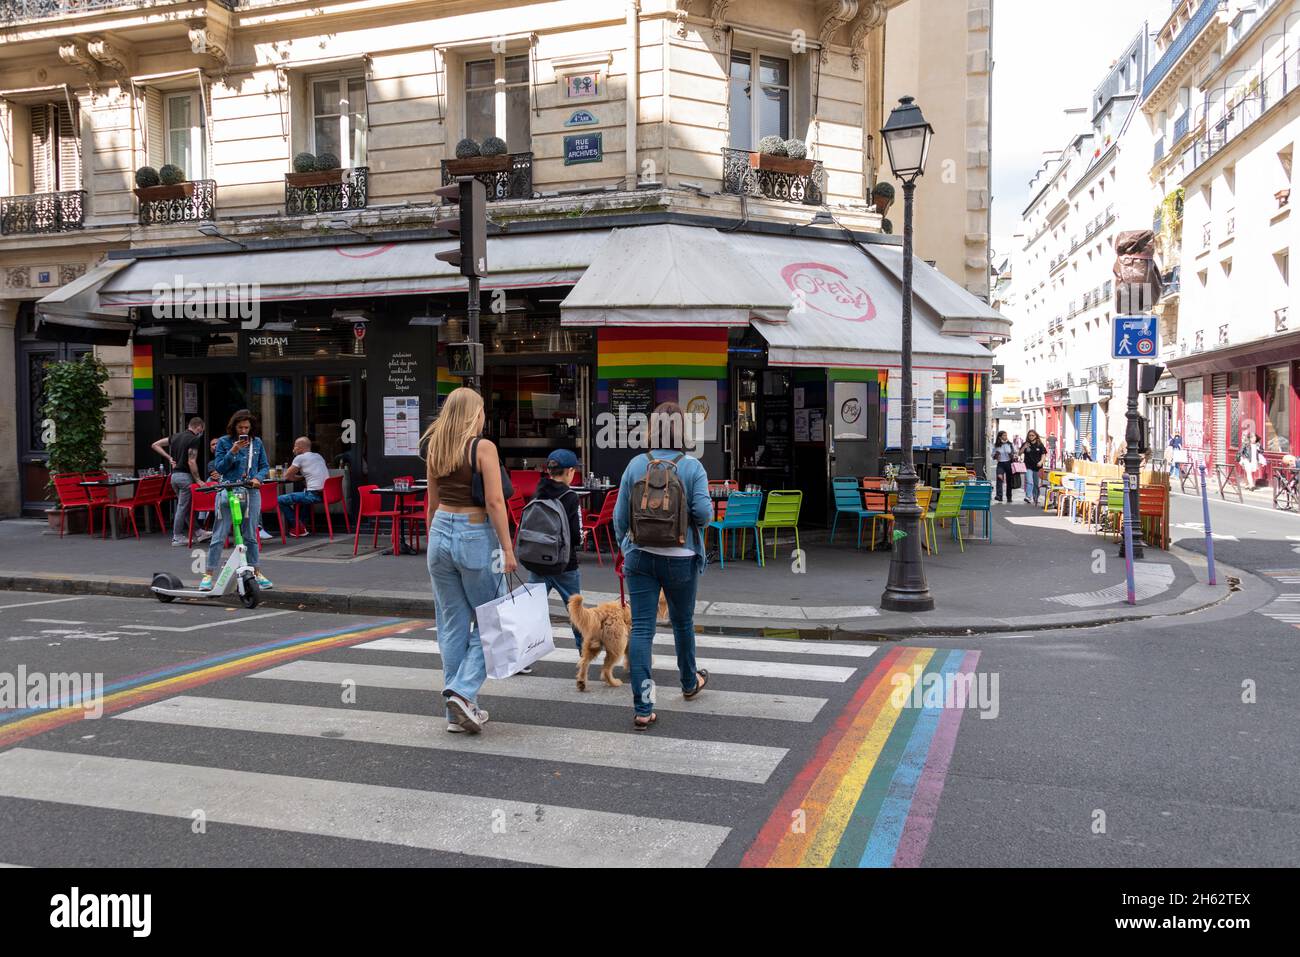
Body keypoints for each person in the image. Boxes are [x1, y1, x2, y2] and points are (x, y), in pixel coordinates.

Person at [613, 402, 714, 731]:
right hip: (681, 558)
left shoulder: (635, 465)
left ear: (652, 428)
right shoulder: (692, 467)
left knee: (642, 629)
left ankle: (643, 707)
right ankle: (688, 682)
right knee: (683, 623)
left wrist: (626, 546)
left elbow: (619, 518)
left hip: (640, 557)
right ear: (682, 429)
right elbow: (703, 515)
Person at [423, 387, 515, 734]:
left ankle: (455, 711)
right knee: (493, 620)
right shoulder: (482, 447)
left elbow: (431, 505)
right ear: (474, 413)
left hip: (440, 531)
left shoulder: (435, 446)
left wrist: (435, 540)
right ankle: (463, 691)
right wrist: (507, 548)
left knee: (451, 625)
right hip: (475, 533)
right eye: (481, 410)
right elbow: (494, 501)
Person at [204, 409, 272, 591]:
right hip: (229, 490)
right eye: (241, 427)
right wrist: (233, 451)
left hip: (251, 491)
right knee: (219, 535)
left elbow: (265, 466)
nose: (244, 430)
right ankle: (208, 575)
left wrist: (258, 477)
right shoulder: (224, 442)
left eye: (247, 427)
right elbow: (220, 468)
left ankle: (257, 573)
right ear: (234, 427)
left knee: (250, 535)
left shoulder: (256, 442)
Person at [526, 448, 585, 652]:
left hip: (537, 563)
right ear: (569, 471)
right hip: (565, 565)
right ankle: (583, 653)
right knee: (576, 614)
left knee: (531, 612)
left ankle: (523, 655)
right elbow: (576, 537)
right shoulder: (570, 497)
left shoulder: (537, 493)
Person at [152, 417, 205, 546]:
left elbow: (155, 444)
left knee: (185, 506)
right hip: (185, 477)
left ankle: (198, 531)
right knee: (182, 507)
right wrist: (198, 480)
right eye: (202, 429)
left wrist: (169, 457)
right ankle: (177, 537)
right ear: (198, 427)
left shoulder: (175, 436)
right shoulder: (194, 439)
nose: (202, 432)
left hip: (174, 477)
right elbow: (191, 461)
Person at [278, 436, 329, 537]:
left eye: (295, 446)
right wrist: (303, 478)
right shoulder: (318, 456)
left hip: (313, 495)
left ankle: (298, 527)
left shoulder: (299, 458)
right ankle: (303, 525)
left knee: (279, 499)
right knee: (304, 494)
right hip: (326, 494)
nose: (294, 449)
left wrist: (300, 478)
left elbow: (287, 476)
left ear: (300, 448)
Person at [1020, 429, 1047, 506]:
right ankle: (1028, 496)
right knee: (1029, 481)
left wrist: (1041, 462)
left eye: (1032, 435)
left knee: (1035, 483)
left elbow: (1043, 454)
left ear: (1036, 436)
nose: (1031, 437)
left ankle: (1036, 497)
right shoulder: (1026, 444)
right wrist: (1024, 447)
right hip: (1028, 466)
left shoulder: (1039, 444)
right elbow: (1019, 453)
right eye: (1029, 435)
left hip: (1037, 466)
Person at [992, 430, 1016, 503]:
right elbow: (993, 456)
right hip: (1000, 464)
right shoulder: (996, 445)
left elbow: (1014, 453)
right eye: (1004, 435)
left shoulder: (1010, 444)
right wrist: (996, 455)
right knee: (999, 479)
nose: (1005, 437)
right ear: (1000, 437)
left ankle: (1009, 497)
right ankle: (999, 496)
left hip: (1009, 463)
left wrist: (1011, 455)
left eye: (1006, 435)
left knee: (1009, 481)